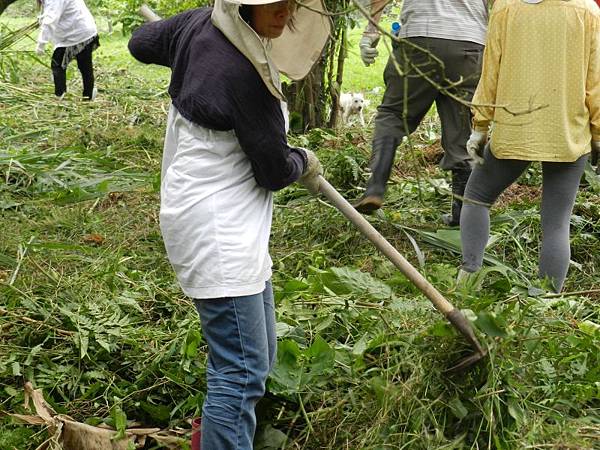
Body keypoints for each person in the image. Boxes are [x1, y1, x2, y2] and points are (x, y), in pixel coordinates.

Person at [128, 0, 330, 448]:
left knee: (258, 358)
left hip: (228, 219)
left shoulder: (203, 22)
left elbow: (142, 42)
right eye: (272, 5)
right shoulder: (244, 75)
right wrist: (304, 160)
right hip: (219, 228)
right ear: (244, 6)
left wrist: (183, 45)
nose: (284, 13)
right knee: (240, 370)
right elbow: (274, 171)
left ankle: (215, 436)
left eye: (290, 3)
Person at [459, 0, 599, 293]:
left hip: (515, 129)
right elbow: (595, 81)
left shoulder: (506, 7)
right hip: (567, 132)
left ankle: (467, 278)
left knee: (476, 197)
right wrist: (598, 133)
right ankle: (545, 301)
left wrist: (480, 126)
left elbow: (491, 73)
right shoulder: (587, 9)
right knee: (557, 224)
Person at [353, 0, 490, 227]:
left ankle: (375, 188)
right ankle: (462, 215)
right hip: (469, 42)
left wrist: (370, 32)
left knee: (393, 114)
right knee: (462, 129)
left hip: (420, 36)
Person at [36, 0, 99, 100]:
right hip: (86, 30)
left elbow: (50, 19)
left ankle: (60, 96)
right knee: (85, 65)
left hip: (75, 35)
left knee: (57, 65)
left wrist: (41, 43)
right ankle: (89, 95)